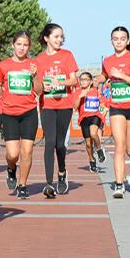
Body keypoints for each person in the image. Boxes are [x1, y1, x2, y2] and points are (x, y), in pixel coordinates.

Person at [97, 26, 130, 199]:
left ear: (127, 41)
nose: (118, 41)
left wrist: (122, 76)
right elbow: (105, 74)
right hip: (117, 106)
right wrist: (97, 79)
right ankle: (119, 184)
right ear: (111, 41)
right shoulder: (108, 60)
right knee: (119, 146)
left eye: (122, 39)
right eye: (115, 39)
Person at [34, 23, 79, 198]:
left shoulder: (67, 56)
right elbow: (37, 88)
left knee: (60, 144)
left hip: (65, 105)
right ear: (46, 38)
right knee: (49, 142)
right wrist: (43, 86)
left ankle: (62, 172)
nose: (60, 40)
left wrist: (61, 83)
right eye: (56, 36)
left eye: (61, 37)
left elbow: (74, 80)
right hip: (47, 105)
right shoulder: (38, 60)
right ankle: (48, 184)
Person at [0, 32, 39, 199]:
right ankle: (11, 169)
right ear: (13, 45)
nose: (22, 48)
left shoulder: (33, 64)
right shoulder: (3, 65)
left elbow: (40, 90)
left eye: (25, 45)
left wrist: (34, 76)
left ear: (29, 47)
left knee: (27, 151)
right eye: (19, 44)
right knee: (13, 154)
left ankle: (22, 184)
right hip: (9, 113)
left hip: (29, 112)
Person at [73, 71, 107, 174]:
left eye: (86, 79)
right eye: (81, 79)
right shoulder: (78, 92)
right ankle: (92, 160)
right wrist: (80, 97)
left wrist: (104, 109)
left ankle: (99, 149)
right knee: (88, 144)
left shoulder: (95, 91)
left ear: (91, 81)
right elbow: (74, 107)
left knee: (93, 133)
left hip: (95, 116)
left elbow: (102, 103)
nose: (83, 82)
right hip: (84, 119)